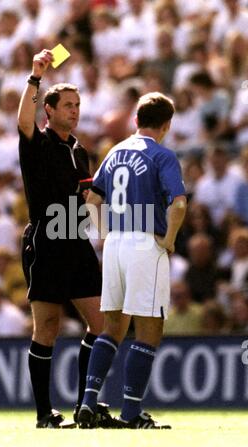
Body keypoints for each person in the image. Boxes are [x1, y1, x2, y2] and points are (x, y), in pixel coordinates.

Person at [78, 91, 187, 429]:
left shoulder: (114, 152)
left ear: (136, 120)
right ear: (166, 125)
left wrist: (104, 234)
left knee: (112, 327)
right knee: (149, 329)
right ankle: (130, 412)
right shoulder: (163, 156)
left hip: (114, 244)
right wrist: (168, 241)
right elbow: (179, 204)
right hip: (145, 245)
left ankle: (88, 401)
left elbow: (90, 199)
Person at [17, 49, 110, 429]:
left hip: (75, 238)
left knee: (100, 323)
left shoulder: (79, 149)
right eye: (68, 105)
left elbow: (86, 198)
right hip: (47, 239)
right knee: (48, 326)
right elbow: (22, 120)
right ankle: (44, 414)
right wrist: (35, 77)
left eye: (78, 105)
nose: (74, 110)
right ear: (49, 111)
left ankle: (84, 405)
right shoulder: (38, 142)